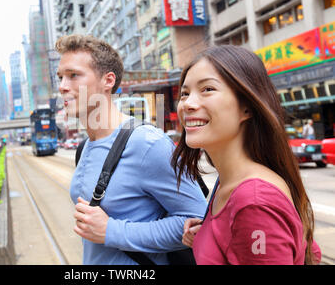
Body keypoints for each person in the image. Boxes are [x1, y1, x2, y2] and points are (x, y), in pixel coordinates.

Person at [55, 34, 207, 265]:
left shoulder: (147, 143)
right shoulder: (84, 147)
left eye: (74, 75)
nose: (63, 87)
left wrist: (112, 231)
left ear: (108, 81)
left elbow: (197, 222)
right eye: (60, 77)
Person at [173, 45, 322, 265]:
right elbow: (311, 252)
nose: (188, 104)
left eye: (207, 89)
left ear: (247, 107)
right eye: (185, 93)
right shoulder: (230, 181)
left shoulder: (253, 201)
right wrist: (209, 237)